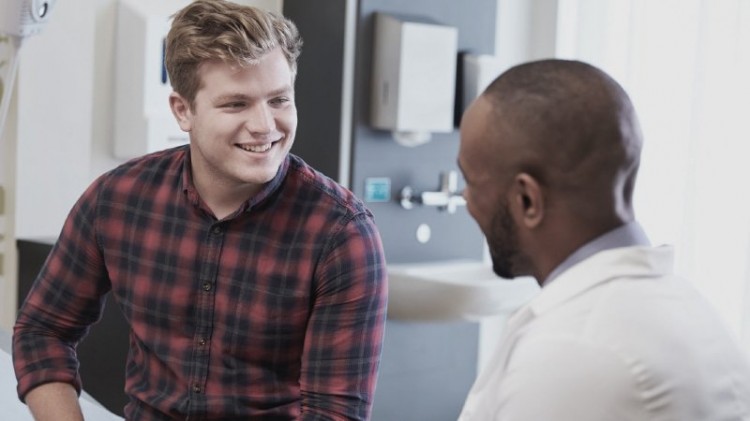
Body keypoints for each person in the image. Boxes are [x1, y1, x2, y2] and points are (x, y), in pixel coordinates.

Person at [13, 1, 388, 420]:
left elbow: (334, 414)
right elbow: (41, 331)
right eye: (236, 104)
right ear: (183, 111)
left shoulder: (341, 235)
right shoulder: (116, 201)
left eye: (279, 100)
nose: (266, 125)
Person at [456, 59, 750, 420]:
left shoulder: (572, 350)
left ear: (527, 200)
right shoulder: (695, 311)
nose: (466, 200)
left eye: (471, 181)